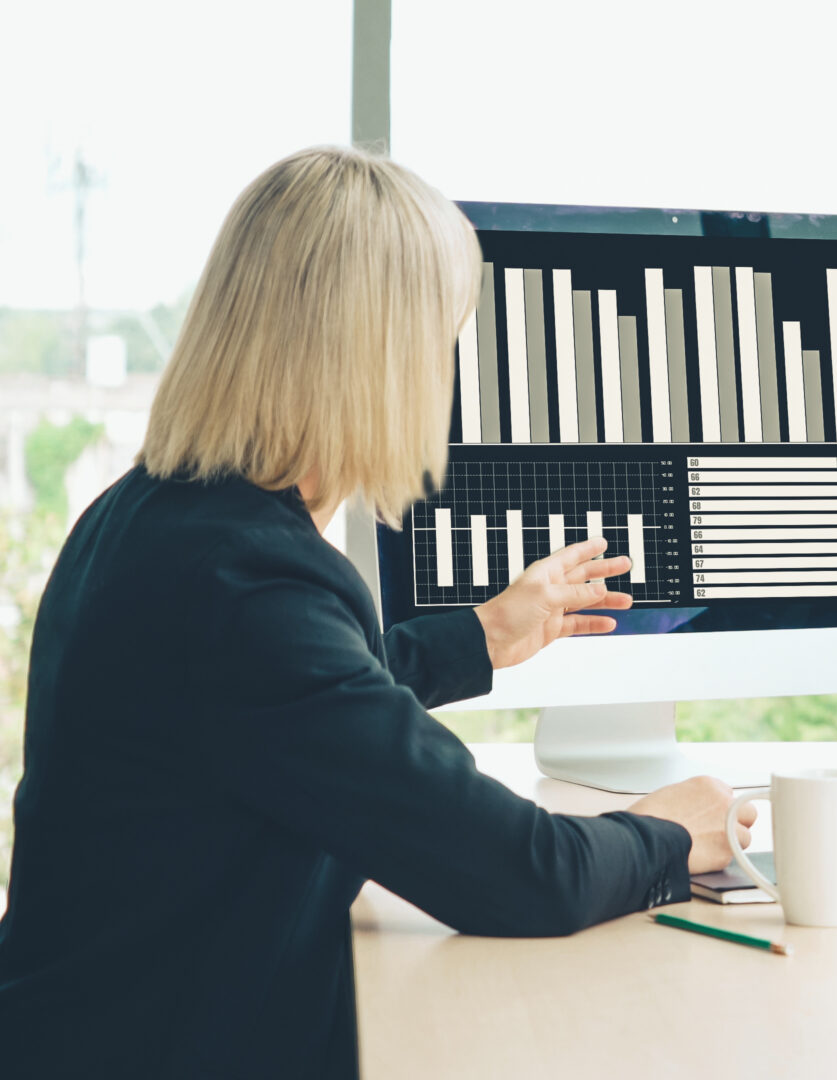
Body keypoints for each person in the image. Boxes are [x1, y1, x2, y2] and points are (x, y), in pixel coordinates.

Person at [0, 146, 757, 1076]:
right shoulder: (250, 588)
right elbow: (521, 875)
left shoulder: (159, 517)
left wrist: (477, 638)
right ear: (383, 359)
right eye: (443, 338)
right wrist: (673, 834)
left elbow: (289, 713)